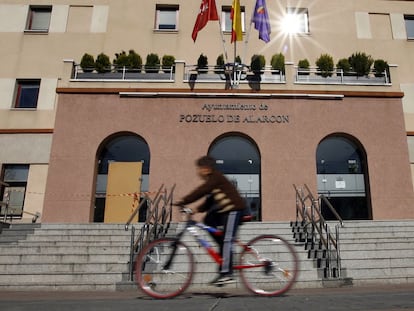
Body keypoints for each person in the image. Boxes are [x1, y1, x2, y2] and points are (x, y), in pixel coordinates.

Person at [175, 155, 246, 286]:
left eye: (199, 169)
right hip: (225, 212)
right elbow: (209, 201)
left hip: (234, 210)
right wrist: (193, 210)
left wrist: (184, 200)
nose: (198, 172)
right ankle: (224, 262)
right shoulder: (213, 181)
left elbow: (201, 191)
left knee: (227, 239)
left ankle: (226, 273)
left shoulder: (215, 178)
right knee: (208, 220)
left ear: (206, 169)